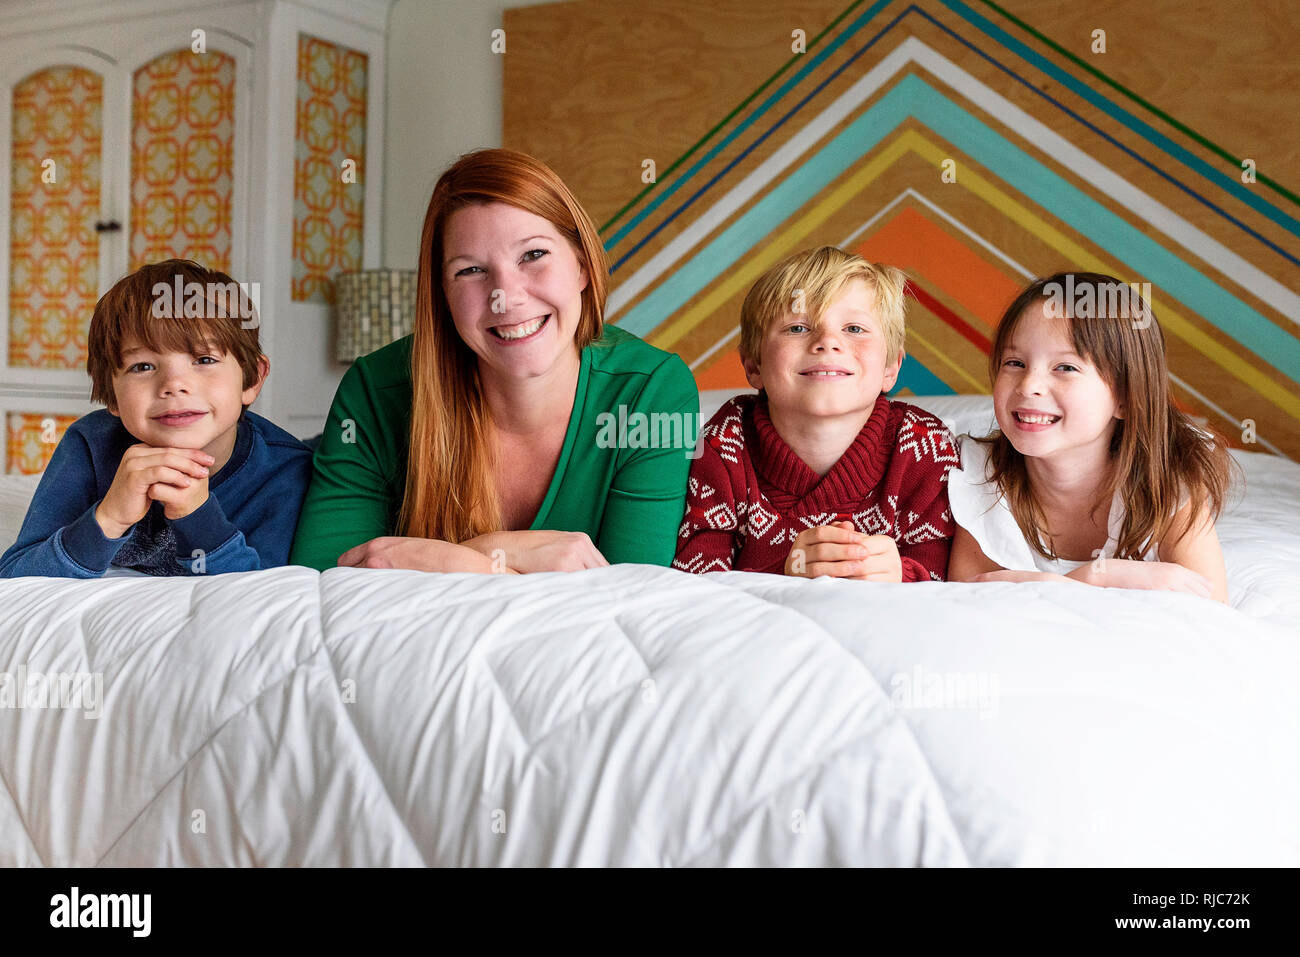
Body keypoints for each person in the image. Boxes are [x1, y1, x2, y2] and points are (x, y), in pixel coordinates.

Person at [289, 149, 698, 572]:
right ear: (443, 296)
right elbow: (325, 583)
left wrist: (423, 558)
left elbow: (631, 598)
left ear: (582, 266)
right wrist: (501, 562)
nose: (507, 296)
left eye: (533, 255)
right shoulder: (374, 391)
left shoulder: (654, 390)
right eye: (470, 271)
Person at [0, 259, 312, 578]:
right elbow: (15, 574)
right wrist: (108, 518)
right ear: (111, 393)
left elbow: (268, 599)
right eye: (143, 367)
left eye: (204, 359)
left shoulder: (285, 473)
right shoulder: (90, 444)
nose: (173, 384)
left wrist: (198, 518)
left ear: (252, 380)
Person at [673, 246, 958, 580]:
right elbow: (694, 587)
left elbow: (950, 585)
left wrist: (901, 575)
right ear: (753, 366)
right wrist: (786, 570)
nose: (827, 342)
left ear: (891, 367)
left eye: (854, 328)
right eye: (797, 328)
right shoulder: (723, 445)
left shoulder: (923, 446)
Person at [946, 272, 1232, 602]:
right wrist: (1099, 575)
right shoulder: (981, 478)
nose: (1028, 385)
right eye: (1015, 362)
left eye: (1065, 367)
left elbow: (1214, 612)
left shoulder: (1169, 480)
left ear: (1125, 397)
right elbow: (967, 602)